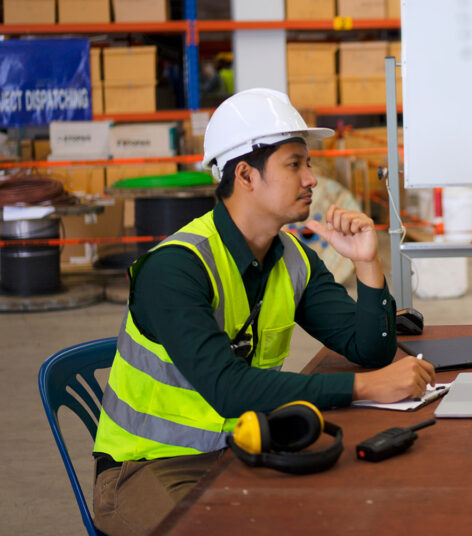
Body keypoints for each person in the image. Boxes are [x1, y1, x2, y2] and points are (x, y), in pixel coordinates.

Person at [91, 88, 435, 536]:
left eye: (307, 164)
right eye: (295, 164)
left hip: (242, 447)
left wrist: (367, 263)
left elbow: (369, 348)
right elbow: (228, 389)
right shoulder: (174, 269)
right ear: (246, 175)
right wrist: (366, 387)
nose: (311, 178)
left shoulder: (293, 257)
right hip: (150, 467)